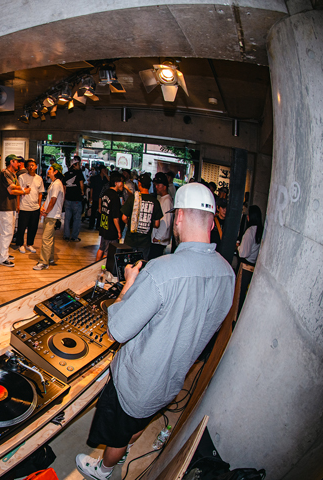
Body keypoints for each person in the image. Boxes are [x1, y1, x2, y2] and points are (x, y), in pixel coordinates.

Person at [76, 182, 234, 480]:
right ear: (212, 223)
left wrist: (128, 287)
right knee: (138, 424)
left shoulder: (161, 270)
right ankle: (122, 451)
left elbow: (117, 330)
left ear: (179, 217)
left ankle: (103, 470)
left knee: (118, 432)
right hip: (170, 381)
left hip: (136, 382)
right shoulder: (228, 273)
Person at [0, 155, 30, 267]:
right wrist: (24, 191)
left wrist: (22, 189)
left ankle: (4, 253)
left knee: (9, 231)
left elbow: (16, 187)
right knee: (7, 232)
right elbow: (11, 190)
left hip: (11, 207)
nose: (19, 164)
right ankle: (3, 258)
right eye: (17, 162)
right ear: (11, 162)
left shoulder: (13, 174)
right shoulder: (5, 173)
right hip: (5, 206)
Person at [120, 176, 163, 260]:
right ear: (150, 185)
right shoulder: (155, 201)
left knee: (128, 263)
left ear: (139, 184)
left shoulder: (133, 198)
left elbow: (124, 218)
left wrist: (131, 223)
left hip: (131, 239)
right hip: (145, 242)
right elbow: (157, 224)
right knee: (141, 263)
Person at [33, 164, 64, 270]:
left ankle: (44, 262)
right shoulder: (54, 183)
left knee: (46, 239)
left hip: (52, 215)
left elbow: (53, 200)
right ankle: (50, 258)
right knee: (50, 238)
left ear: (56, 171)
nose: (48, 171)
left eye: (50, 169)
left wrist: (46, 212)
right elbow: (49, 199)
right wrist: (43, 207)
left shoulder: (57, 184)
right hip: (50, 214)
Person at [236, 205, 263, 313]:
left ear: (250, 217)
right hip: (254, 266)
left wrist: (238, 247)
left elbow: (243, 253)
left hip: (245, 267)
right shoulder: (261, 230)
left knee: (239, 295)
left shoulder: (250, 231)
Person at [15, 159, 45, 253]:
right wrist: (18, 205)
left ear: (36, 166)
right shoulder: (22, 177)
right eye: (29, 165)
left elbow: (40, 193)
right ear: (26, 167)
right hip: (24, 207)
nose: (31, 167)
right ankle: (20, 244)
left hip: (35, 208)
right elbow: (18, 192)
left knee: (33, 228)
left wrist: (39, 205)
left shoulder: (39, 178)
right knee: (21, 227)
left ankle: (29, 244)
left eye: (33, 165)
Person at [95, 172, 124, 262]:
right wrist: (119, 231)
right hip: (111, 229)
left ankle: (95, 266)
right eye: (121, 182)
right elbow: (115, 217)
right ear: (116, 183)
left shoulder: (106, 193)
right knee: (108, 253)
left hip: (104, 226)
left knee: (101, 248)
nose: (122, 184)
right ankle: (103, 269)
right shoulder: (115, 197)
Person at [150, 172, 174, 259]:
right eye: (155, 185)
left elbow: (165, 221)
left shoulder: (167, 201)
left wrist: (158, 237)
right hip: (157, 239)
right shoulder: (162, 199)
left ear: (164, 186)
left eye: (158, 185)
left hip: (159, 241)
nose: (156, 187)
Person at [63, 157, 85, 241]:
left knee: (67, 219)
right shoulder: (79, 173)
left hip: (68, 199)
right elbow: (81, 184)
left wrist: (64, 197)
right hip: (76, 199)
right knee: (77, 219)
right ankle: (74, 237)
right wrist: (82, 191)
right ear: (74, 165)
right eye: (78, 164)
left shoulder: (66, 174)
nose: (79, 166)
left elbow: (64, 187)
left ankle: (66, 235)